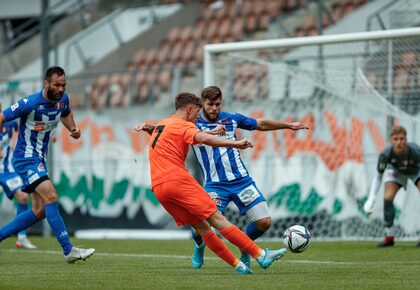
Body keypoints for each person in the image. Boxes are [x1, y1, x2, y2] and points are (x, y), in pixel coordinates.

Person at [134, 92, 287, 275]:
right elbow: (203, 139)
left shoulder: (162, 123)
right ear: (189, 109)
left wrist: (148, 127)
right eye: (197, 112)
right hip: (178, 180)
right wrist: (236, 144)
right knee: (218, 220)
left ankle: (238, 266)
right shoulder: (184, 126)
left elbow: (185, 133)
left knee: (202, 226)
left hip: (159, 187)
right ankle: (260, 254)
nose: (198, 117)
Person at [189, 86, 308, 268]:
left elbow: (259, 124)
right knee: (201, 227)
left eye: (217, 104)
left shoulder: (231, 119)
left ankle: (245, 247)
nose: (214, 108)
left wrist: (288, 125)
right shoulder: (192, 125)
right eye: (210, 104)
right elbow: (169, 129)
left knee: (264, 222)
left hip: (242, 181)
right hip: (215, 185)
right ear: (202, 104)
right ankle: (199, 245)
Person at [0, 66, 95, 263]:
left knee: (39, 211)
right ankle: (68, 250)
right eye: (57, 85)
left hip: (39, 160)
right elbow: (1, 117)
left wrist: (73, 128)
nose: (61, 89)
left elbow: (66, 113)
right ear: (46, 84)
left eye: (64, 85)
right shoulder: (31, 103)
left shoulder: (63, 100)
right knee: (51, 196)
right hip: (26, 160)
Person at [363, 125, 420, 247]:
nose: (399, 142)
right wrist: (371, 199)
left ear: (406, 139)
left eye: (401, 138)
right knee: (388, 197)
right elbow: (378, 177)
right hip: (397, 171)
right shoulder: (386, 154)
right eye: (396, 139)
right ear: (391, 140)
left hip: (415, 172)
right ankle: (389, 237)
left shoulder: (416, 151)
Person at [0, 113, 36, 249]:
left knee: (23, 197)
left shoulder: (10, 124)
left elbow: (25, 132)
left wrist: (51, 136)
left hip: (7, 171)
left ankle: (21, 237)